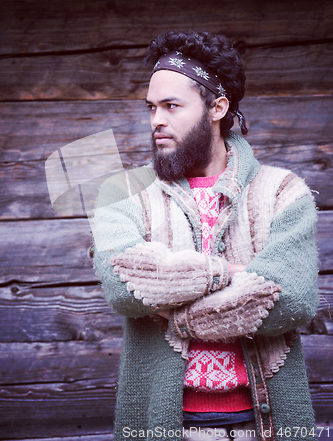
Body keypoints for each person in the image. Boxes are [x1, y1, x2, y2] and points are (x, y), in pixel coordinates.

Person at [92, 30, 318, 441]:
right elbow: (121, 285)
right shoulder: (120, 193)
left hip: (265, 425)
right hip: (163, 426)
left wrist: (172, 304)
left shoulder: (283, 192)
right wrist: (227, 274)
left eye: (171, 106)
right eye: (152, 107)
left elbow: (293, 300)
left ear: (217, 107)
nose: (156, 120)